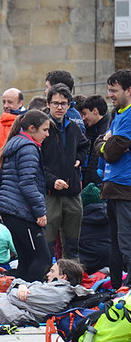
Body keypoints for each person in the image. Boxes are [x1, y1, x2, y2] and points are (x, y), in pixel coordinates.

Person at [0, 110, 52, 282]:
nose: (47, 134)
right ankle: (32, 295)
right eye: (45, 130)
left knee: (26, 258)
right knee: (42, 259)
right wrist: (40, 212)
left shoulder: (14, 143)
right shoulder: (28, 148)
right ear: (31, 128)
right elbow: (27, 184)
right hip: (20, 211)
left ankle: (18, 296)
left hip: (10, 211)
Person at [42, 84, 90, 260]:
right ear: (48, 104)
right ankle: (45, 282)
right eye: (55, 103)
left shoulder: (73, 127)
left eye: (63, 103)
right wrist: (51, 180)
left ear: (70, 105)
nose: (59, 107)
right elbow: (35, 164)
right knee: (47, 247)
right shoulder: (42, 128)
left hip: (72, 193)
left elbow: (86, 145)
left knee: (72, 246)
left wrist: (79, 158)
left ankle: (72, 281)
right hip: (50, 194)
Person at [95, 69, 131, 289]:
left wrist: (104, 145)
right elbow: (100, 145)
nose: (110, 94)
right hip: (111, 188)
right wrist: (105, 143)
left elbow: (111, 152)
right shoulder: (116, 114)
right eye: (109, 90)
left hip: (126, 189)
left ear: (129, 90)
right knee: (115, 245)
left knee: (126, 244)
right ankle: (118, 289)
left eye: (114, 90)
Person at [0, 259, 92, 326]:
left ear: (63, 277)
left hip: (0, 311)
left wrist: (17, 288)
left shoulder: (57, 293)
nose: (48, 274)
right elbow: (31, 285)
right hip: (2, 307)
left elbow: (14, 296)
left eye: (52, 271)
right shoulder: (56, 289)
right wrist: (21, 286)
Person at [0, 88, 26, 171]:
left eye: (10, 102)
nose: (6, 105)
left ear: (20, 103)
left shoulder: (25, 124)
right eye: (4, 102)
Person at [79, 95, 110, 187]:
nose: (83, 118)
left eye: (85, 113)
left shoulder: (107, 129)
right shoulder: (93, 128)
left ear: (95, 111)